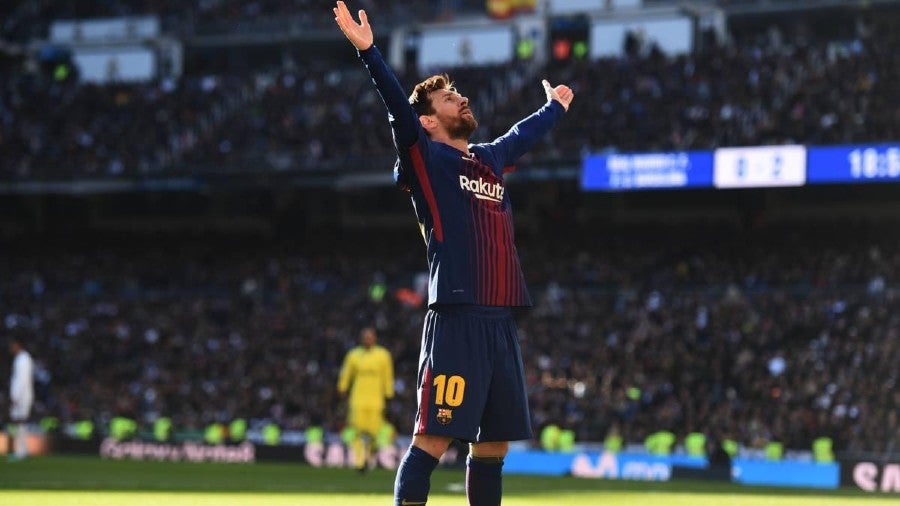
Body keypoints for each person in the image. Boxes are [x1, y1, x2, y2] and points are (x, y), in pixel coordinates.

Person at [332, 2, 573, 504]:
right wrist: (369, 52)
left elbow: (519, 138)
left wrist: (554, 108)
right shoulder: (427, 157)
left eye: (458, 93)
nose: (461, 99)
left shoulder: (486, 159)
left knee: (493, 446)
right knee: (433, 439)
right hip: (457, 318)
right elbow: (398, 107)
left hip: (500, 319)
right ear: (429, 120)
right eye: (448, 97)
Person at [337, 326, 395, 472]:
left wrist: (389, 394)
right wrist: (342, 388)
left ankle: (369, 456)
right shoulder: (353, 355)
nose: (367, 339)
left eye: (370, 337)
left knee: (374, 433)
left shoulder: (383, 355)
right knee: (356, 432)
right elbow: (346, 374)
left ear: (374, 338)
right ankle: (359, 462)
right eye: (365, 337)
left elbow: (387, 376)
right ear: (361, 339)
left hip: (376, 401)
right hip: (357, 400)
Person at [8, 338, 34, 461]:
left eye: (12, 345)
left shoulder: (24, 359)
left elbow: (23, 379)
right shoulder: (20, 358)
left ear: (18, 345)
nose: (11, 348)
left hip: (22, 396)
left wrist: (17, 396)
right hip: (20, 395)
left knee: (20, 421)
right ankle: (22, 450)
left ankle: (21, 451)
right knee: (20, 423)